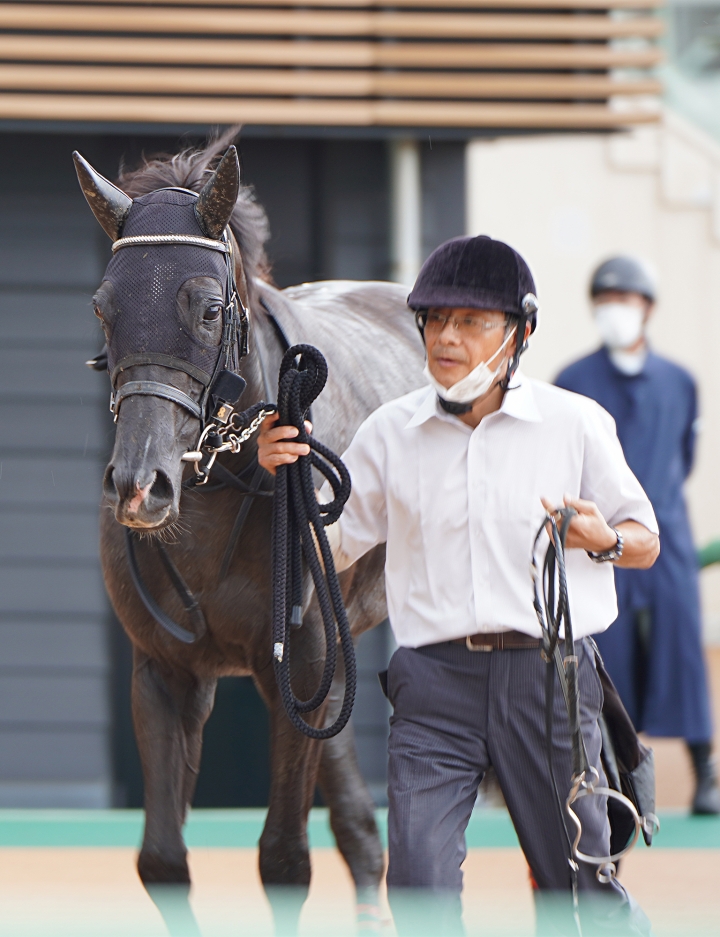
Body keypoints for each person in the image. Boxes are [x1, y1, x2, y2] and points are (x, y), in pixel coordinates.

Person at [258, 236, 660, 935]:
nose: (447, 337)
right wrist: (283, 474)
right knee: (418, 887)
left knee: (580, 887)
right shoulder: (391, 433)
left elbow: (645, 540)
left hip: (549, 680)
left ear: (521, 332)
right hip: (432, 687)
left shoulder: (577, 424)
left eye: (471, 322)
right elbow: (329, 546)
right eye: (435, 319)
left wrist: (606, 539)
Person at [555, 256, 720, 816]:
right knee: (608, 651)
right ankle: (609, 778)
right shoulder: (574, 381)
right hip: (600, 538)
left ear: (648, 307)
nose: (615, 312)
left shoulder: (680, 381)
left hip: (666, 533)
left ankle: (706, 772)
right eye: (605, 301)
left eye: (625, 301)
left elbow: (685, 457)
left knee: (683, 645)